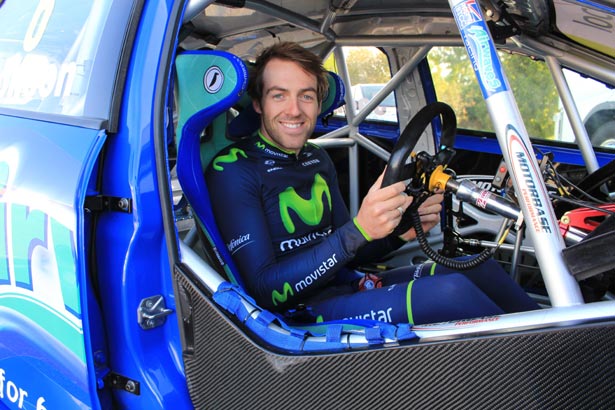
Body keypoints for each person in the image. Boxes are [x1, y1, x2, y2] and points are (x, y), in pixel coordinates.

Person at [205, 41, 538, 325]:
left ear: (319, 103)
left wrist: (401, 230)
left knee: (480, 269)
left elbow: (347, 253)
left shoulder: (316, 158)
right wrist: (358, 230)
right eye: (279, 96)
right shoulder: (233, 169)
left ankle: (565, 351)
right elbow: (265, 291)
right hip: (296, 315)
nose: (294, 110)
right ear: (260, 104)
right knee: (452, 293)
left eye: (306, 96)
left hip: (345, 285)